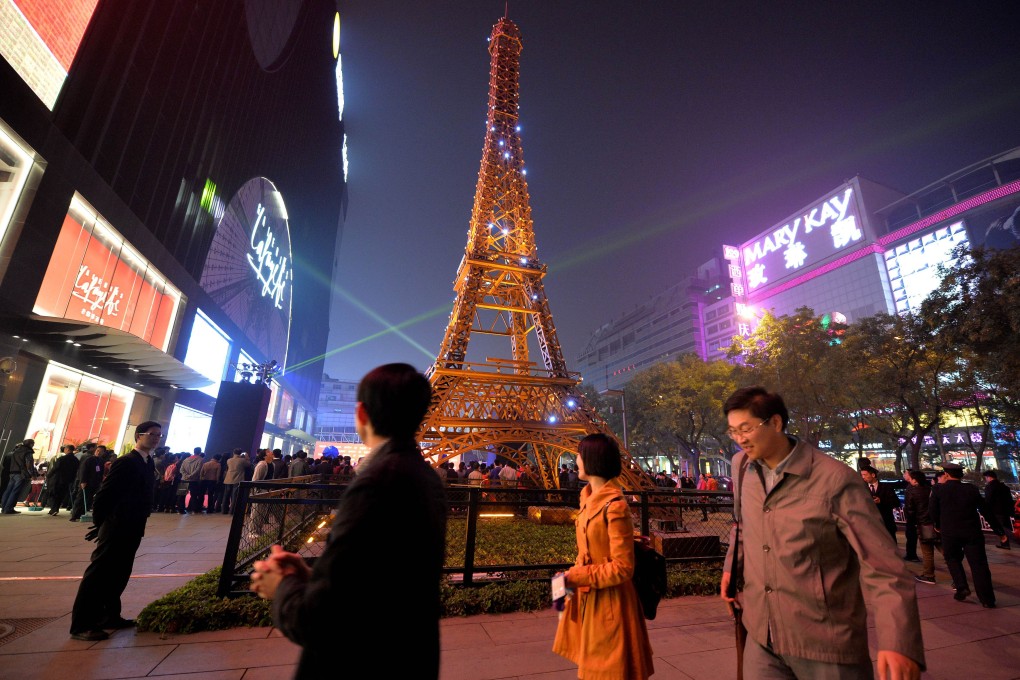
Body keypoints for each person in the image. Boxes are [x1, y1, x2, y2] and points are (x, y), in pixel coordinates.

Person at [249, 363, 447, 678]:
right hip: (407, 656)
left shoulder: (378, 481)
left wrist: (282, 585)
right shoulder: (423, 475)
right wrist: (311, 575)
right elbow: (382, 578)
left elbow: (323, 620)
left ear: (361, 414)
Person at [720, 386, 924, 680]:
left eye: (746, 429)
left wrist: (898, 643)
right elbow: (741, 524)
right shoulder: (742, 468)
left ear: (776, 423)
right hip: (761, 635)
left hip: (825, 644)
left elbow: (884, 567)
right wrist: (731, 568)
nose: (739, 439)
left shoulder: (835, 480)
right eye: (732, 431)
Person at [552, 434, 654, 679]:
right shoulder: (587, 499)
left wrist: (576, 576)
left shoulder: (615, 506)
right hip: (589, 598)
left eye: (579, 454)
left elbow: (623, 567)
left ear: (592, 460)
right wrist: (566, 584)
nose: (575, 460)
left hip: (611, 603)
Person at [69, 421, 160, 641]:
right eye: (152, 434)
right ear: (138, 436)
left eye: (159, 435)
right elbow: (104, 495)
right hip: (117, 524)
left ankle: (109, 616)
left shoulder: (147, 462)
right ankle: (81, 625)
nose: (156, 438)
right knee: (99, 573)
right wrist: (101, 523)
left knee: (120, 572)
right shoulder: (127, 461)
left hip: (134, 525)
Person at [929, 462, 1008, 608]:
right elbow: (985, 511)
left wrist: (938, 526)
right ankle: (987, 599)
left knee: (952, 559)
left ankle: (962, 587)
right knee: (979, 565)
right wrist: (999, 531)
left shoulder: (939, 489)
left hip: (950, 532)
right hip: (972, 532)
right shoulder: (971, 489)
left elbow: (933, 511)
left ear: (946, 474)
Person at [904, 470, 937, 584]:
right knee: (943, 548)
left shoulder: (912, 492)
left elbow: (910, 510)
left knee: (927, 551)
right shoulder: (930, 490)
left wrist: (911, 522)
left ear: (915, 480)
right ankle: (956, 574)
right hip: (935, 523)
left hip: (923, 524)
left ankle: (929, 575)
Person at [861, 465, 900, 541]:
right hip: (871, 525)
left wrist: (881, 501)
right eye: (862, 475)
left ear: (873, 475)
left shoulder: (886, 487)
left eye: (865, 475)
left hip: (886, 523)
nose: (863, 477)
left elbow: (896, 502)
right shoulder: (862, 488)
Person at [70, 445, 106, 522]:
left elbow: (100, 472)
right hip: (86, 482)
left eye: (101, 451)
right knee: (80, 498)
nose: (98, 452)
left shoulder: (101, 461)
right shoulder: (89, 459)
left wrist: (100, 482)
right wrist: (83, 481)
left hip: (95, 483)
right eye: (97, 450)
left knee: (89, 499)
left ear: (103, 453)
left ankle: (82, 514)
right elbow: (83, 471)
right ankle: (74, 515)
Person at [1, 439, 37, 514]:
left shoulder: (16, 451)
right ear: (30, 444)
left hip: (12, 473)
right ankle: (9, 509)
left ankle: (4, 507)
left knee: (8, 490)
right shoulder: (27, 452)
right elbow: (29, 464)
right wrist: (32, 474)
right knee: (15, 491)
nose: (33, 445)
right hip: (20, 473)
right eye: (33, 443)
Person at [982, 469, 1015, 548]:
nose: (986, 480)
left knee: (1000, 527)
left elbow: (988, 500)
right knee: (1005, 526)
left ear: (989, 477)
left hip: (995, 511)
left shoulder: (990, 487)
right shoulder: (1004, 487)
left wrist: (985, 510)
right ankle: (1005, 543)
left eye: (986, 478)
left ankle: (1009, 541)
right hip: (1005, 510)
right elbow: (1010, 500)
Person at [47, 445, 80, 515]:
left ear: (67, 449)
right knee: (61, 494)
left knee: (54, 493)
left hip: (58, 479)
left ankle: (53, 509)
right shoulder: (76, 460)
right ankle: (56, 508)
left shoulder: (62, 459)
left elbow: (55, 468)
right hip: (68, 480)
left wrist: (48, 475)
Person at [222, 449, 251, 515]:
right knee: (235, 496)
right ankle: (232, 511)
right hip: (237, 479)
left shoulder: (229, 460)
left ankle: (224, 510)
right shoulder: (242, 460)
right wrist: (247, 458)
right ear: (240, 453)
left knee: (226, 496)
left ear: (233, 453)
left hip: (228, 479)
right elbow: (249, 465)